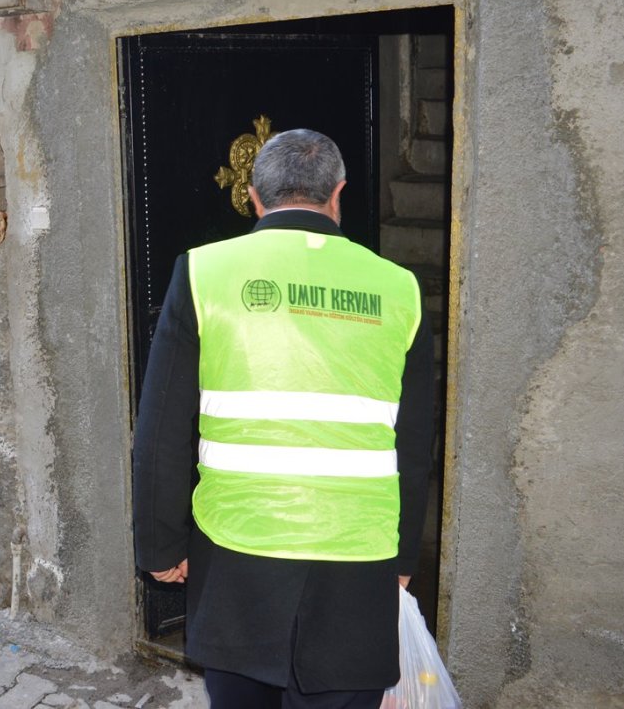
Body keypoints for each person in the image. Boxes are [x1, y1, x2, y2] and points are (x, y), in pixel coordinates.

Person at [132, 129, 434, 708]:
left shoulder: (202, 273)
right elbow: (413, 441)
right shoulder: (400, 290)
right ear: (338, 193)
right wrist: (400, 558)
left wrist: (160, 546)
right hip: (357, 555)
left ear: (253, 196)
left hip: (239, 553)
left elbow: (162, 427)